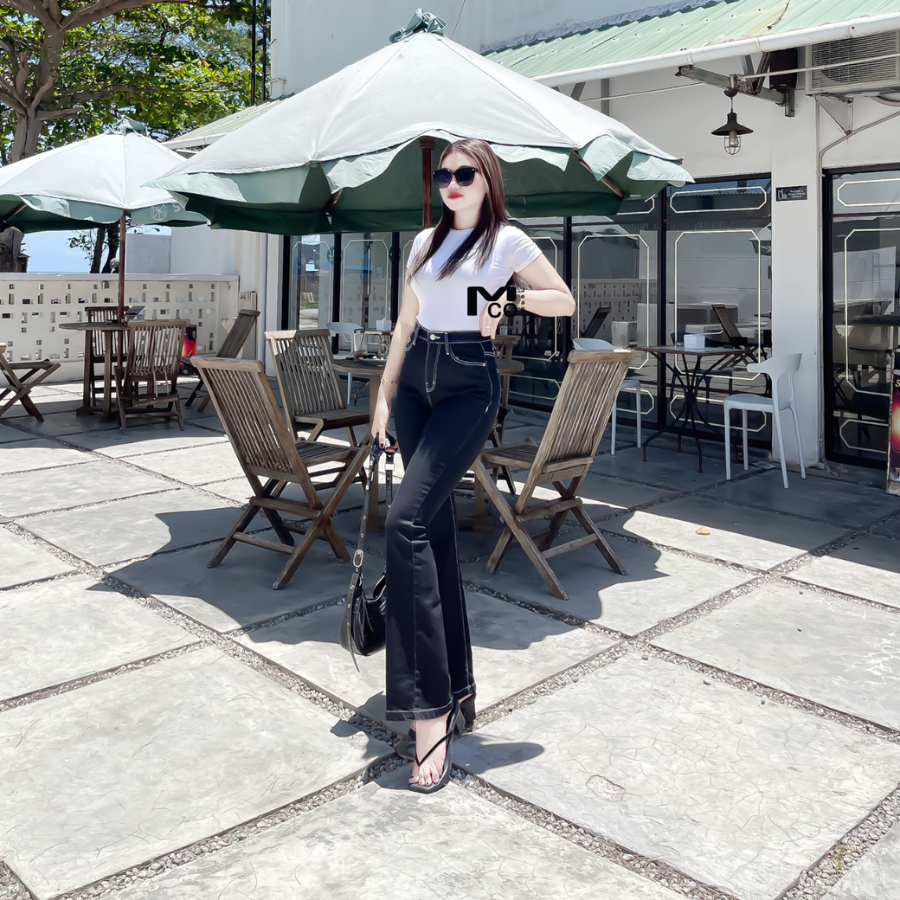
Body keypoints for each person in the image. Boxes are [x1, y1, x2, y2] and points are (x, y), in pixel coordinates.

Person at [371, 138, 576, 792]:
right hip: (414, 383)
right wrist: (383, 395)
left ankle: (428, 711)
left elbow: (563, 299)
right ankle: (455, 690)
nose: (453, 182)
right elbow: (404, 323)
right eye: (444, 174)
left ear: (488, 181)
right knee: (430, 533)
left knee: (403, 523)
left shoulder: (506, 241)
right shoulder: (423, 242)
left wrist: (506, 303)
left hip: (467, 382)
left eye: (466, 173)